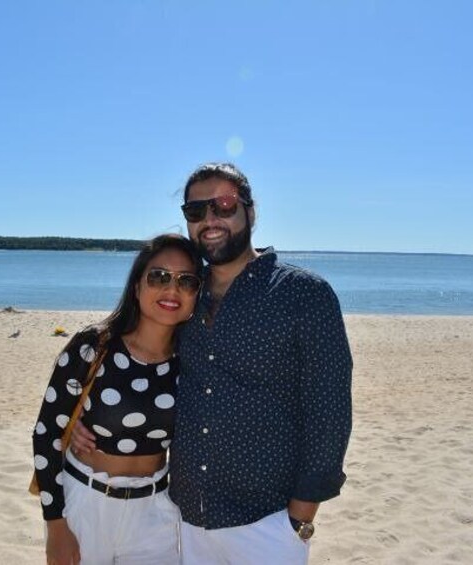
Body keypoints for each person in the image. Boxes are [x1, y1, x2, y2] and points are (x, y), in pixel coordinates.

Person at [73, 163, 353, 564]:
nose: (210, 219)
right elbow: (141, 356)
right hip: (185, 518)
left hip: (268, 521)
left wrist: (300, 518)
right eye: (195, 211)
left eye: (223, 205)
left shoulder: (304, 295)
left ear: (250, 212)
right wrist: (86, 415)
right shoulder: (185, 291)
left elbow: (330, 412)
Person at [32, 234, 202, 565]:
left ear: (197, 294)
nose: (172, 289)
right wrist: (55, 524)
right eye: (159, 276)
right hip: (86, 505)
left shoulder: (194, 361)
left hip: (156, 510)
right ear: (137, 286)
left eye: (187, 281)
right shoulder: (93, 346)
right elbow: (46, 434)